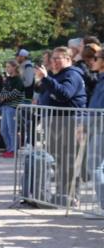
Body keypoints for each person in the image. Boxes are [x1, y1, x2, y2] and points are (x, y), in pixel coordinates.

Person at [34, 47, 88, 205]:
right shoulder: (56, 75)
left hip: (70, 123)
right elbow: (46, 95)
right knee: (58, 161)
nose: (54, 62)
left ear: (69, 59)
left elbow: (65, 94)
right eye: (53, 59)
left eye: (58, 58)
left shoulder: (72, 74)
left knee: (69, 161)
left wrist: (46, 79)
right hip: (55, 123)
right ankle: (62, 194)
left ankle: (72, 196)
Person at [0, 60, 26, 159]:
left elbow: (16, 93)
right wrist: (3, 96)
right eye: (6, 67)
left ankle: (14, 150)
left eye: (9, 67)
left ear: (14, 67)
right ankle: (9, 149)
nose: (7, 69)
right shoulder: (8, 79)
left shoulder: (19, 80)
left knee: (12, 130)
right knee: (3, 130)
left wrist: (5, 97)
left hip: (13, 107)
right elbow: (2, 92)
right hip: (5, 106)